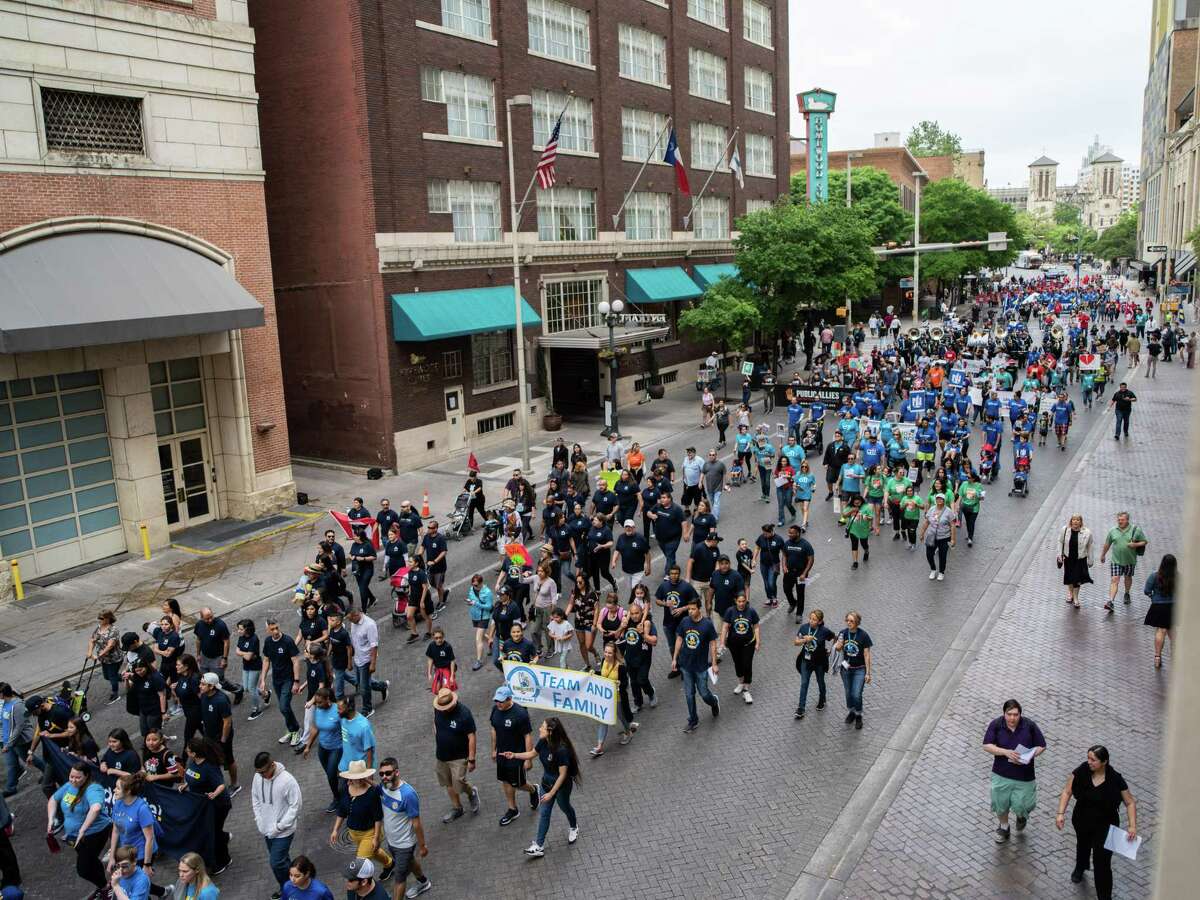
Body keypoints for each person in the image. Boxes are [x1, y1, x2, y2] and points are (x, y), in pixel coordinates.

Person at [1055, 745, 1138, 898]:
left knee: (1102, 863)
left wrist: (1132, 826)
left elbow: (1130, 802)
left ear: (1104, 761)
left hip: (1106, 826)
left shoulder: (1115, 779)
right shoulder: (1081, 771)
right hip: (1082, 820)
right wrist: (1060, 813)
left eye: (1093, 760)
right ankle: (1080, 866)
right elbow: (1067, 791)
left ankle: (1104, 896)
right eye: (1088, 758)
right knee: (1083, 844)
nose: (1089, 762)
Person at [500, 717, 581, 858]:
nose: (539, 728)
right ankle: (539, 846)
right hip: (546, 783)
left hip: (560, 786)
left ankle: (574, 827)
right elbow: (532, 753)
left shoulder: (561, 750)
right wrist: (514, 755)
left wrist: (552, 793)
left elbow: (562, 775)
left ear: (550, 731)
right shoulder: (544, 742)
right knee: (544, 813)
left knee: (564, 806)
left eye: (542, 727)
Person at [982, 700, 1047, 843]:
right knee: (1000, 803)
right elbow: (987, 745)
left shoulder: (1029, 726)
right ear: (1004, 714)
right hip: (1001, 774)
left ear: (1020, 714)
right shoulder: (996, 725)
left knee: (1026, 805)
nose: (1012, 718)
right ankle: (1004, 827)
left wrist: (1029, 756)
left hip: (1024, 776)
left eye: (1015, 715)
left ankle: (1021, 816)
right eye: (1009, 714)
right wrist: (1005, 752)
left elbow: (1041, 745)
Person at [48, 762, 111, 895]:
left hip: (94, 833)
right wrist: (50, 820)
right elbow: (53, 799)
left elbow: (96, 808)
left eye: (77, 777)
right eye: (71, 776)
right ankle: (104, 886)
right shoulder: (69, 786)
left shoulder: (93, 789)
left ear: (86, 776)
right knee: (91, 860)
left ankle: (105, 887)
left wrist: (82, 830)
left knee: (83, 870)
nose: (73, 780)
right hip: (74, 835)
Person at [375, 759, 431, 899]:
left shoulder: (407, 795)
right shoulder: (384, 787)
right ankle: (423, 882)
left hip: (404, 844)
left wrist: (423, 846)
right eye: (381, 774)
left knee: (399, 878)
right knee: (410, 861)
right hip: (392, 841)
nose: (384, 777)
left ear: (397, 772)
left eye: (388, 773)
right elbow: (376, 787)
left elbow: (416, 823)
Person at [252, 752, 302, 899]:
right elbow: (255, 798)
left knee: (276, 862)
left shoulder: (288, 780)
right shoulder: (258, 778)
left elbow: (296, 806)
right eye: (259, 772)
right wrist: (259, 820)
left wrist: (279, 826)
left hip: (284, 831)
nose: (262, 775)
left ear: (272, 764)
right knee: (283, 860)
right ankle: (297, 883)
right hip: (266, 829)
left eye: (264, 771)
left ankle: (288, 890)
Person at [178, 738, 231, 875]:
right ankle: (224, 838)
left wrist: (214, 794)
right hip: (203, 806)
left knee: (214, 833)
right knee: (211, 831)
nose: (186, 752)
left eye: (188, 751)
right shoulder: (192, 762)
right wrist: (186, 785)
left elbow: (221, 784)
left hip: (218, 805)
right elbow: (191, 776)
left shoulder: (209, 767)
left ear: (195, 753)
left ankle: (223, 860)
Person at [332, 761, 393, 878]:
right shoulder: (345, 789)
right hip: (354, 833)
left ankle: (366, 888)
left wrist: (375, 838)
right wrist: (335, 830)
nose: (358, 780)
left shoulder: (372, 792)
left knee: (360, 866)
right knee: (374, 852)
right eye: (356, 778)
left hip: (370, 833)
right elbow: (342, 811)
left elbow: (378, 817)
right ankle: (389, 864)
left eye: (361, 777)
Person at [672, 598, 720, 733]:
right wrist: (675, 658)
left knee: (704, 694)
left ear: (699, 609)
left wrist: (714, 663)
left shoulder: (707, 624)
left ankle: (714, 702)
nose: (690, 612)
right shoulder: (684, 622)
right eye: (689, 609)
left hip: (701, 667)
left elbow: (713, 643)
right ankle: (693, 720)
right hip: (686, 665)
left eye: (693, 609)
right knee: (689, 694)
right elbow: (680, 638)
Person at [431, 688, 478, 824]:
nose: (443, 710)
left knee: (458, 782)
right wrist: (438, 735)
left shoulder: (464, 713)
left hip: (459, 756)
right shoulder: (438, 709)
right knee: (448, 782)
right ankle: (457, 808)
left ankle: (471, 792)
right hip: (442, 755)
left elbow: (471, 737)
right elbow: (434, 721)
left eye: (446, 707)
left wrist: (471, 759)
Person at [197, 673, 239, 797]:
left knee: (228, 760)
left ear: (212, 686)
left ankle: (235, 784)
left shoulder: (221, 700)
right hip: (209, 736)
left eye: (203, 684)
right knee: (212, 761)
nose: (200, 686)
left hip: (221, 737)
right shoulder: (204, 696)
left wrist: (223, 739)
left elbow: (227, 722)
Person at [1099, 511, 1148, 612]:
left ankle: (1127, 593)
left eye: (1122, 520)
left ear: (1127, 520)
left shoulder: (1136, 530)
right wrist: (1103, 555)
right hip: (1116, 561)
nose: (1120, 521)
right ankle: (1111, 601)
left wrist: (1135, 545)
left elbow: (1144, 541)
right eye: (1118, 520)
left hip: (1130, 561)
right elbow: (1107, 544)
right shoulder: (1113, 530)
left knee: (1128, 577)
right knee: (1114, 580)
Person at [346, 608, 390, 717]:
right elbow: (354, 641)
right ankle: (382, 686)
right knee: (363, 682)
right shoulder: (353, 623)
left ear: (356, 615)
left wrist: (373, 663)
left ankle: (368, 708)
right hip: (357, 658)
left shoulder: (370, 625)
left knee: (363, 687)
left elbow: (374, 646)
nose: (350, 622)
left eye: (351, 619)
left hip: (366, 660)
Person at [834, 611, 872, 730]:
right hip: (846, 669)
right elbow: (838, 648)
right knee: (848, 692)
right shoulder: (843, 633)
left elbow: (867, 655)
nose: (849, 623)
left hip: (859, 669)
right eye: (847, 620)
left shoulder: (863, 635)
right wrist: (839, 645)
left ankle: (858, 715)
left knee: (856, 694)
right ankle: (851, 711)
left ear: (857, 623)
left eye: (852, 621)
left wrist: (868, 673)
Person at [793, 609, 834, 720]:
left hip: (819, 662)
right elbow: (795, 642)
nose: (811, 621)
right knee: (804, 683)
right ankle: (801, 708)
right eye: (810, 618)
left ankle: (822, 698)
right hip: (806, 661)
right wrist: (804, 640)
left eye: (814, 619)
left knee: (820, 681)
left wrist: (831, 650)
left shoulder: (824, 631)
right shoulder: (804, 628)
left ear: (820, 622)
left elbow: (834, 638)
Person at [720, 594, 761, 704]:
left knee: (747, 664)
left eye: (743, 601)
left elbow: (756, 626)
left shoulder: (751, 611)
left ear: (746, 601)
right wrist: (722, 643)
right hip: (734, 644)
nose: (741, 603)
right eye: (739, 601)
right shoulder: (730, 611)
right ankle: (741, 682)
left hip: (748, 644)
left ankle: (746, 690)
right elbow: (725, 627)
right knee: (737, 663)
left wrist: (758, 642)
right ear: (735, 601)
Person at [1144, 554, 1177, 669]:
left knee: (1160, 631)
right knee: (1172, 631)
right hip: (1173, 606)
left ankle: (1157, 657)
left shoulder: (1155, 576)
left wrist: (1153, 597)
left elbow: (1147, 590)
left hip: (1158, 606)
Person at [1, 684, 32, 798]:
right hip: (6, 739)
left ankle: (48, 772)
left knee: (29, 759)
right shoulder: (3, 704)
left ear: (2, 694)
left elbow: (19, 727)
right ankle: (11, 787)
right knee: (11, 764)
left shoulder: (17, 705)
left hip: (19, 741)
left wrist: (9, 744)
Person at [1057, 514, 1094, 608]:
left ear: (1081, 522)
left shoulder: (1087, 533)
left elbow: (1090, 546)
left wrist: (1091, 559)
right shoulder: (1065, 530)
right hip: (1068, 558)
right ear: (1071, 521)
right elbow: (1060, 541)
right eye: (1074, 519)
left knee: (1077, 579)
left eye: (1078, 520)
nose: (1075, 521)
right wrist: (1059, 555)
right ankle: (1070, 593)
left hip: (1080, 559)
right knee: (1069, 577)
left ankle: (1076, 598)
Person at [88, 610, 124, 704]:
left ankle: (115, 694)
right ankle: (126, 677)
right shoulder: (98, 628)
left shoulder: (113, 630)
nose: (99, 620)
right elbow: (92, 640)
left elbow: (110, 646)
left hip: (114, 658)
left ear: (108, 619)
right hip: (104, 659)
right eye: (98, 617)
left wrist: (98, 655)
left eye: (101, 618)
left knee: (112, 676)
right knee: (107, 676)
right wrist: (89, 652)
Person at [234, 619, 266, 721]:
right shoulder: (241, 638)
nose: (238, 631)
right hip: (246, 665)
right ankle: (266, 694)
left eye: (241, 629)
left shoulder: (254, 639)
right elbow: (237, 652)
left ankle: (256, 709)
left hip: (255, 666)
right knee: (247, 688)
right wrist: (246, 653)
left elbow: (246, 656)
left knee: (251, 689)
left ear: (247, 629)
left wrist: (243, 653)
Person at [919, 493, 956, 581]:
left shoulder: (948, 511)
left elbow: (952, 526)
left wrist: (953, 539)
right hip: (932, 536)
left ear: (944, 500)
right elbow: (926, 522)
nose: (939, 500)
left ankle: (941, 572)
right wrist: (922, 533)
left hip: (944, 537)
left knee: (942, 556)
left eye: (941, 499)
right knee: (929, 554)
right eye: (938, 499)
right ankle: (933, 569)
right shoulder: (931, 509)